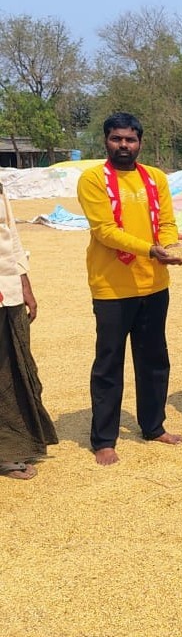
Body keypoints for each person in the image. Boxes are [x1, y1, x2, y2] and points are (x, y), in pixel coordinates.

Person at [77, 113, 182, 466]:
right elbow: (104, 230)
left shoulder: (155, 177)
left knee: (154, 359)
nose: (123, 145)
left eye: (130, 139)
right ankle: (104, 439)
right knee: (109, 363)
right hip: (112, 287)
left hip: (153, 284)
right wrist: (151, 250)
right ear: (106, 141)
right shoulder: (93, 179)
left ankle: (153, 426)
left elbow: (166, 221)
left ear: (140, 142)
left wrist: (170, 246)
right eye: (116, 139)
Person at [0, 182, 57, 479]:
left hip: (6, 294)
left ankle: (8, 449)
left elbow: (10, 235)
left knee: (10, 372)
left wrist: (24, 285)